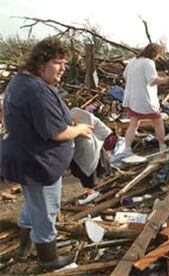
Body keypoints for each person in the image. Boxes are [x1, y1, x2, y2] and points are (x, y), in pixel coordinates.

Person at [0, 38, 93, 270]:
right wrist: (79, 129)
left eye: (64, 63)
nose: (62, 68)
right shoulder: (34, 90)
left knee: (33, 205)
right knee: (46, 210)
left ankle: (24, 248)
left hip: (27, 157)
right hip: (37, 163)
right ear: (40, 62)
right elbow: (56, 133)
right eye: (57, 62)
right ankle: (48, 259)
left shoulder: (22, 82)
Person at [122, 43, 169, 153]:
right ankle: (162, 146)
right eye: (158, 55)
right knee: (158, 121)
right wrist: (168, 80)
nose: (158, 57)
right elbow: (153, 80)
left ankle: (127, 149)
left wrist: (135, 85)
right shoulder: (148, 63)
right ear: (154, 53)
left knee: (133, 123)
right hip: (144, 98)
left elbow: (125, 76)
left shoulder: (133, 61)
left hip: (131, 97)